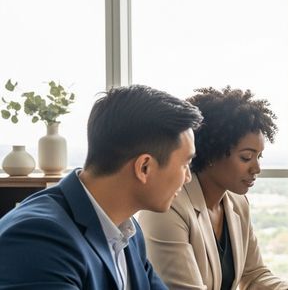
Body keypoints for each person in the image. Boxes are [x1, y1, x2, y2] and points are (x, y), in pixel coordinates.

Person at [0, 85, 202, 289]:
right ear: (144, 167)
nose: (187, 177)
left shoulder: (128, 231)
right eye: (185, 164)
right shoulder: (39, 237)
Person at [138, 87, 288, 290]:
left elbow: (254, 275)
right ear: (212, 153)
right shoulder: (168, 208)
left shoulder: (237, 203)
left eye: (259, 157)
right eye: (246, 157)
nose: (257, 168)